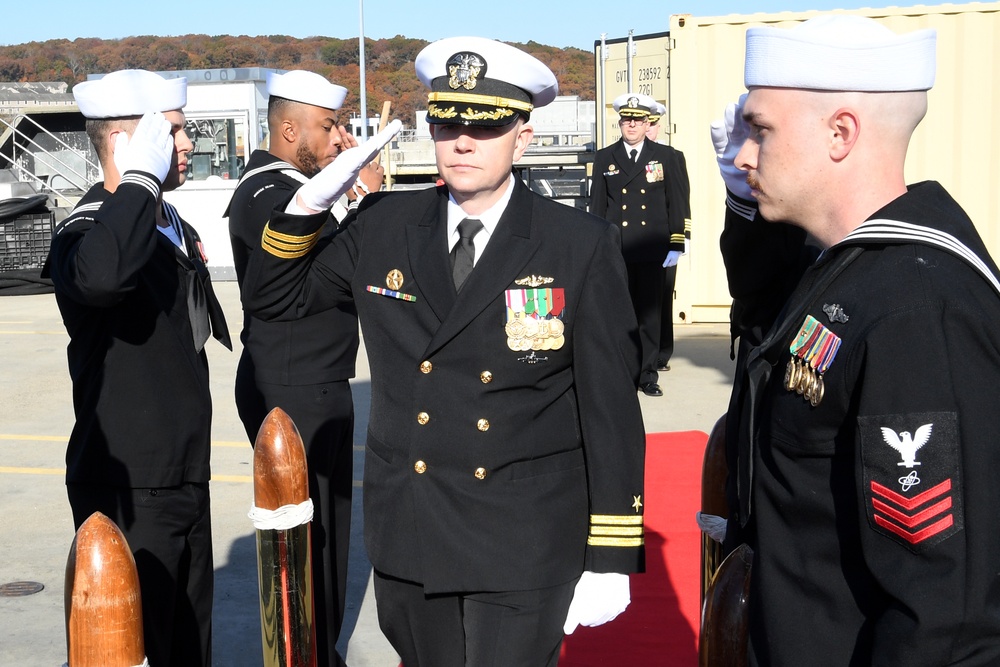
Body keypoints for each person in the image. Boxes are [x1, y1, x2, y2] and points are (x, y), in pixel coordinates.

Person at [241, 37, 646, 666]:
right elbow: (275, 301)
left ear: (523, 136)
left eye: (484, 128)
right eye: (447, 125)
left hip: (524, 536)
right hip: (414, 529)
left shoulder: (577, 244)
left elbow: (611, 406)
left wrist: (612, 554)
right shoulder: (382, 227)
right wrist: (308, 205)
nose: (462, 142)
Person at [716, 15, 1000, 665]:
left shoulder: (915, 309)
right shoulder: (848, 271)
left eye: (761, 131)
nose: (742, 156)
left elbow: (941, 613)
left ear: (840, 133)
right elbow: (763, 335)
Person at [43, 69, 231, 667]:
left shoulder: (167, 222)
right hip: (127, 480)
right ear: (127, 142)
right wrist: (141, 182)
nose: (187, 144)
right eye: (172, 133)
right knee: (130, 645)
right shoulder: (88, 228)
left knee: (186, 642)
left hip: (183, 469)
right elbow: (100, 278)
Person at [226, 69, 382, 667]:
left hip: (306, 376)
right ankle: (307, 650)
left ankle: (315, 646)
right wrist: (362, 199)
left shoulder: (289, 184)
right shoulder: (271, 191)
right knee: (309, 533)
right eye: (328, 126)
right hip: (296, 383)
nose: (340, 138)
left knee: (324, 529)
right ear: (290, 130)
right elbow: (313, 270)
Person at [590, 92, 690, 396]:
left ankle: (647, 374)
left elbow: (678, 203)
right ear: (620, 122)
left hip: (651, 248)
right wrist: (596, 247)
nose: (631, 125)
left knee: (648, 314)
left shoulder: (666, 156)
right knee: (620, 313)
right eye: (626, 120)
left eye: (637, 120)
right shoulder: (605, 157)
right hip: (618, 248)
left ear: (648, 123)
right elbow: (597, 207)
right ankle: (623, 369)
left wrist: (677, 243)